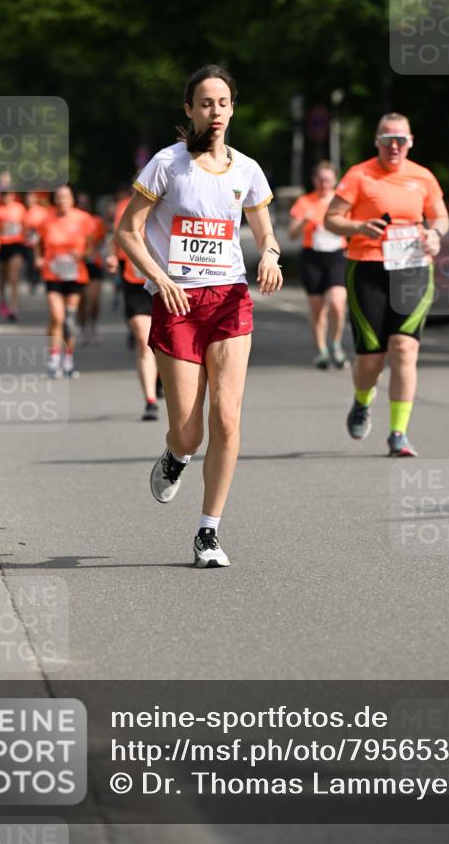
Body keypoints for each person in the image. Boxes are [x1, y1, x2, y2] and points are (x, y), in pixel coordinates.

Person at [116, 64, 282, 568]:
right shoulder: (168, 165)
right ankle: (176, 455)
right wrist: (160, 278)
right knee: (189, 432)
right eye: (205, 103)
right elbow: (127, 232)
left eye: (223, 103)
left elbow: (265, 233)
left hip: (230, 299)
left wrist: (271, 254)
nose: (214, 112)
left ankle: (208, 532)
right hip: (178, 304)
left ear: (233, 109)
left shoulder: (247, 170)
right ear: (189, 109)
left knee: (227, 419)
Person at [324, 112, 449, 456]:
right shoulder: (359, 175)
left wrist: (435, 236)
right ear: (376, 142)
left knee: (404, 348)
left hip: (413, 268)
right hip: (366, 269)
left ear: (410, 142)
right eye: (386, 139)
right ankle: (363, 400)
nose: (393, 146)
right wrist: (359, 228)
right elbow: (331, 219)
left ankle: (399, 433)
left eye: (400, 140)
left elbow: (440, 217)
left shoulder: (422, 177)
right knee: (371, 359)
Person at [288, 160, 349, 369]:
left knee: (337, 302)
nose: (324, 184)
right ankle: (322, 351)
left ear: (334, 181)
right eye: (320, 180)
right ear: (314, 180)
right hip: (312, 257)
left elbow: (351, 228)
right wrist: (305, 221)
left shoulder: (341, 202)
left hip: (336, 255)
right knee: (317, 309)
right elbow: (292, 234)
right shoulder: (305, 201)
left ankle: (336, 344)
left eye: (328, 180)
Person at [107, 194, 161, 421]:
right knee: (143, 340)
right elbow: (117, 237)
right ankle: (150, 401)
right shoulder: (126, 208)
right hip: (135, 284)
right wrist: (112, 257)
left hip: (165, 284)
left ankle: (160, 376)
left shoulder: (172, 204)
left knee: (162, 343)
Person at [35, 185, 92, 379]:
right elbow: (37, 242)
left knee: (68, 320)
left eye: (66, 197)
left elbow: (91, 247)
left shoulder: (83, 219)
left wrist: (82, 253)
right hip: (52, 273)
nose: (62, 201)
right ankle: (53, 359)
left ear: (73, 199)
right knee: (57, 316)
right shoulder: (46, 220)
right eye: (58, 197)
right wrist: (38, 257)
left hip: (75, 274)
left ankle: (68, 359)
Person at [0, 190, 26, 321]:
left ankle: (14, 307)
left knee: (13, 277)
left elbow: (25, 226)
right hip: (1, 246)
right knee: (1, 279)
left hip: (16, 245)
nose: (6, 196)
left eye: (8, 193)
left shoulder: (20, 208)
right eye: (3, 194)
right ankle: (3, 301)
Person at [76, 192, 108, 345]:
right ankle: (82, 328)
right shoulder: (73, 221)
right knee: (81, 301)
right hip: (78, 264)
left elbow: (102, 241)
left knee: (93, 300)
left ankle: (93, 325)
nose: (83, 206)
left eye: (86, 203)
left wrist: (99, 253)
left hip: (94, 264)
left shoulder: (97, 221)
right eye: (80, 203)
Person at [23, 191, 51, 291]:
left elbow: (47, 225)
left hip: (40, 241)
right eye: (28, 197)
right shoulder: (24, 211)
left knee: (38, 262)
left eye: (31, 197)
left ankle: (39, 280)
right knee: (30, 263)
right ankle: (32, 282)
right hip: (28, 242)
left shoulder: (42, 211)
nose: (29, 200)